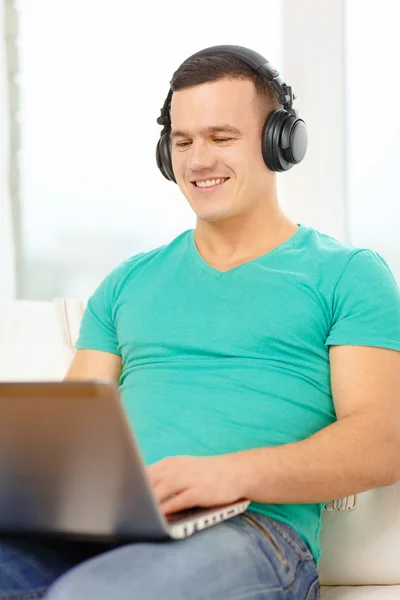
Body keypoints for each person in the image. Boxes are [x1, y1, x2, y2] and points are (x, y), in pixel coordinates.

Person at [1, 44, 400, 600]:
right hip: (111, 528)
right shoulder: (127, 282)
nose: (197, 161)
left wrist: (229, 475)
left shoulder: (348, 275)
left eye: (221, 138)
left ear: (279, 143)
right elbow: (68, 445)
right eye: (183, 142)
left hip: (253, 532)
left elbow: (382, 443)